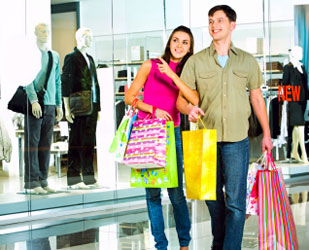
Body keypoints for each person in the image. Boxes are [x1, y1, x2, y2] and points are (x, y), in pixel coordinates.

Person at [177, 5, 273, 250]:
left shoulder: (247, 61)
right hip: (205, 140)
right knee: (211, 198)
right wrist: (189, 110)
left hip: (237, 139)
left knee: (236, 203)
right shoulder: (196, 62)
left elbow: (257, 99)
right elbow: (180, 99)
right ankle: (220, 243)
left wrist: (267, 134)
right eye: (210, 21)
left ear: (232, 25)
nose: (214, 25)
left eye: (219, 20)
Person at [125, 25, 198, 250]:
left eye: (185, 42)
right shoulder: (150, 65)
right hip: (148, 134)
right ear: (169, 42)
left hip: (172, 134)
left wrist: (173, 75)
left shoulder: (188, 71)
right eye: (176, 40)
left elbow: (193, 99)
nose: (179, 45)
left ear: (189, 48)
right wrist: (152, 109)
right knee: (153, 195)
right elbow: (129, 97)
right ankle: (160, 245)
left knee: (176, 193)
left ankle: (184, 244)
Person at [24, 23, 63, 194]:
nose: (46, 34)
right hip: (35, 104)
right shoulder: (30, 54)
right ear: (35, 33)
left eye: (48, 30)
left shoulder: (54, 55)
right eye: (42, 31)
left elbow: (57, 81)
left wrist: (59, 104)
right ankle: (32, 182)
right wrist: (33, 100)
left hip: (50, 105)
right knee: (32, 143)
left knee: (46, 144)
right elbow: (26, 78)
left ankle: (43, 179)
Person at [61, 28, 101, 189]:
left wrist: (98, 108)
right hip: (79, 105)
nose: (90, 40)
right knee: (76, 141)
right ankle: (73, 178)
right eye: (87, 37)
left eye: (91, 37)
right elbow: (66, 83)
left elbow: (95, 84)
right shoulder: (71, 58)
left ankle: (89, 177)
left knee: (89, 143)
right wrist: (67, 109)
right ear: (79, 38)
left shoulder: (90, 58)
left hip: (91, 105)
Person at [283, 46, 309, 163]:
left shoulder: (301, 67)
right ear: (294, 53)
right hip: (293, 100)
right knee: (300, 125)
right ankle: (303, 153)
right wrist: (287, 100)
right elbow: (285, 84)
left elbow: (305, 84)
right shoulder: (288, 68)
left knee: (296, 126)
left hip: (302, 100)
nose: (301, 54)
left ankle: (294, 151)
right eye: (300, 52)